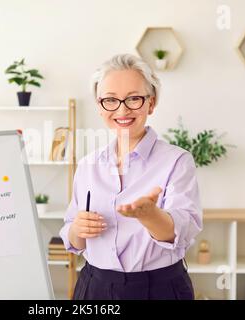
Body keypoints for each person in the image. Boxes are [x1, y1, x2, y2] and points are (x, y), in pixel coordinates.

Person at [59, 53, 202, 300]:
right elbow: (74, 239)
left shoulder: (177, 161)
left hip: (159, 288)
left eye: (134, 99)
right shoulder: (87, 165)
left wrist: (150, 216)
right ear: (100, 106)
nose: (122, 109)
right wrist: (77, 230)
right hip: (94, 287)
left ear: (151, 103)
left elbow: (183, 232)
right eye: (110, 100)